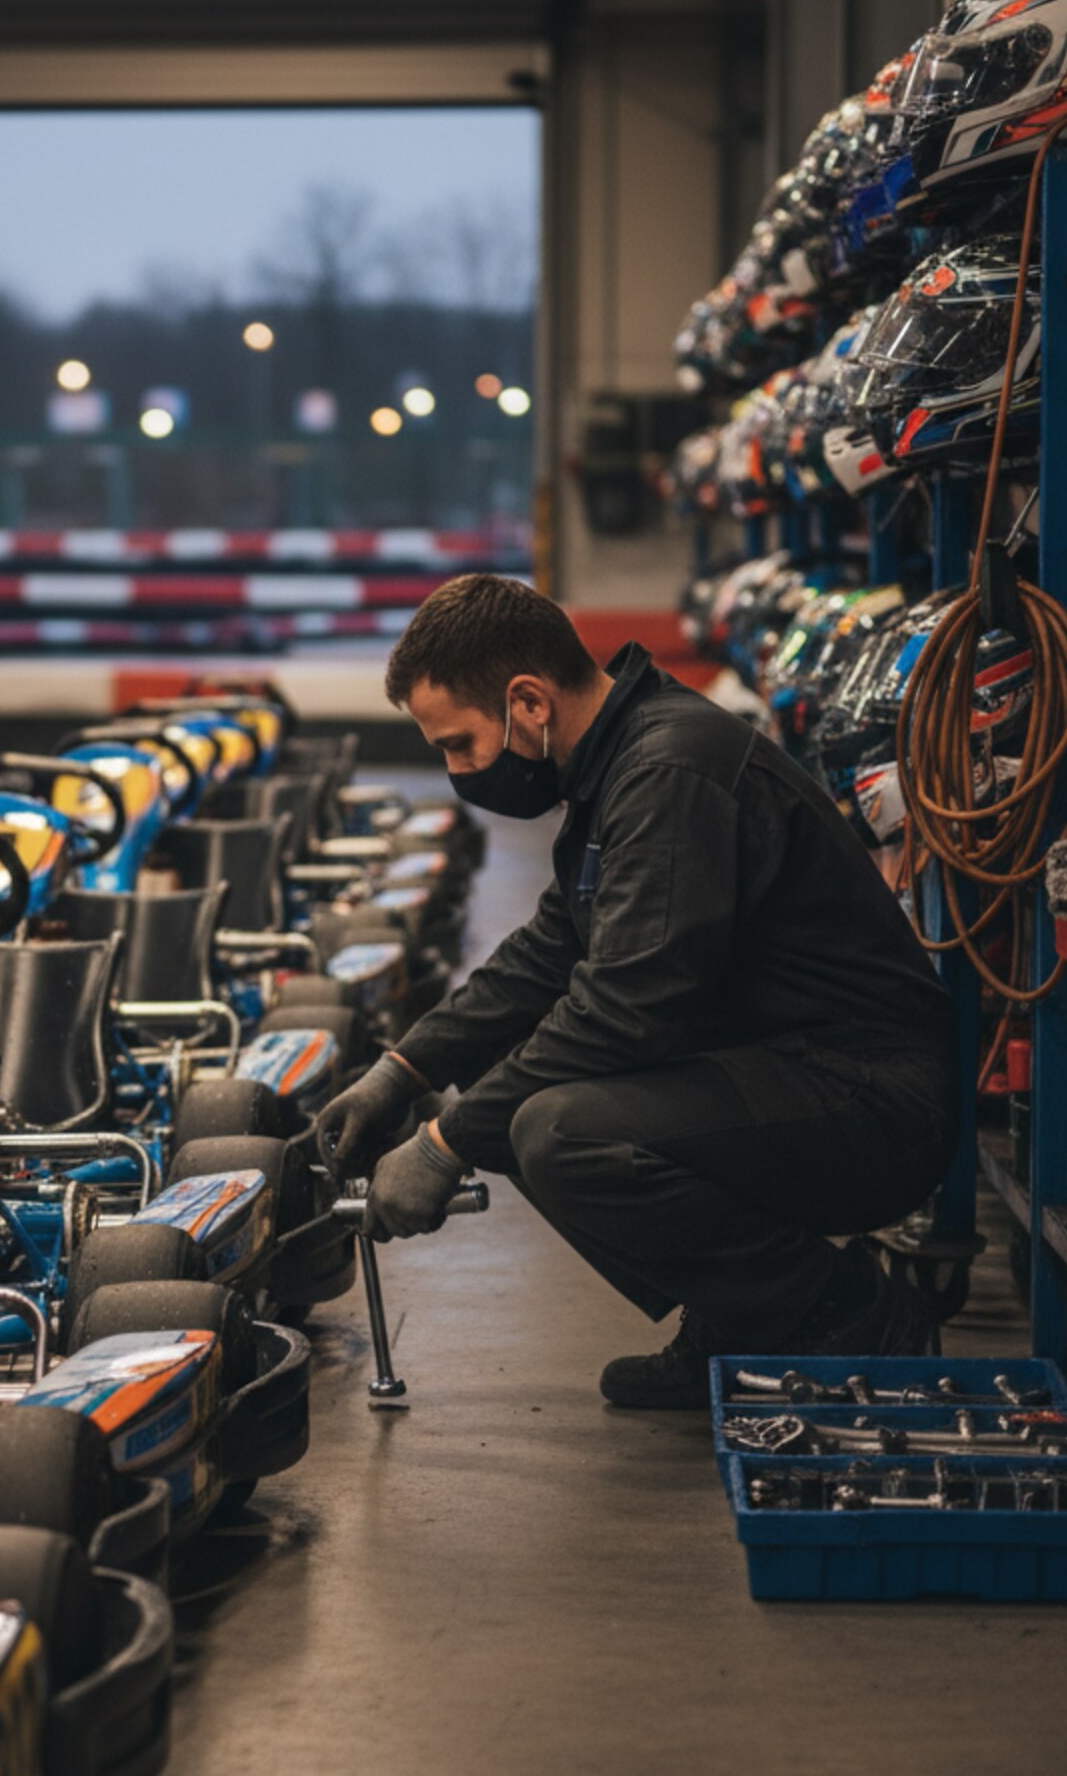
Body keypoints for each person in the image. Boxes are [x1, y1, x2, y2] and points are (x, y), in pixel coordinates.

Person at [316, 574, 958, 1409]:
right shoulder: (620, 761)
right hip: (789, 1067)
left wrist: (443, 1143)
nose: (456, 771)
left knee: (556, 1128)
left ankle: (843, 1314)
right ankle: (741, 1316)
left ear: (529, 704)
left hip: (874, 1103)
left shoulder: (670, 770)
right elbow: (551, 948)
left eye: (459, 744)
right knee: (509, 1094)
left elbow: (628, 1005)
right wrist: (403, 1068)